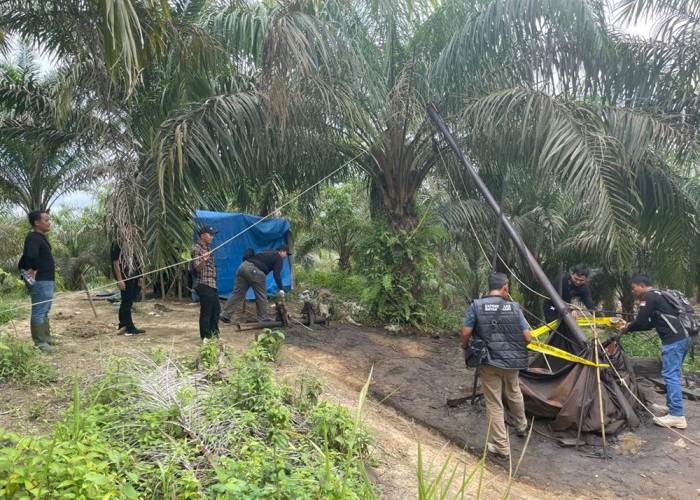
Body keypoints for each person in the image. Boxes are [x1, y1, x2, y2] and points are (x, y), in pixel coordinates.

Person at [461, 273, 532, 461]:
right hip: (512, 362)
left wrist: (465, 348)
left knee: (494, 402)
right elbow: (528, 338)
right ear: (506, 287)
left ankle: (501, 447)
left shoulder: (476, 306)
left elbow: (466, 332)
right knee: (514, 391)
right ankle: (522, 427)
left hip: (489, 361)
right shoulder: (514, 308)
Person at [619, 274, 692, 429]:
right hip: (685, 337)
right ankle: (672, 407)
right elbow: (647, 324)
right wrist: (630, 326)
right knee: (673, 373)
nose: (633, 292)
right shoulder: (659, 296)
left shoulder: (649, 296)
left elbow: (640, 321)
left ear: (641, 285)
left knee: (670, 374)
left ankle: (677, 416)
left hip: (674, 340)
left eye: (634, 288)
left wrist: (627, 328)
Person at [220, 244, 290, 323]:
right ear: (282, 251)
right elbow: (276, 274)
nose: (286, 256)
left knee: (237, 293)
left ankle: (225, 314)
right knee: (261, 295)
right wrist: (281, 288)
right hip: (256, 271)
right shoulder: (278, 257)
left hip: (243, 266)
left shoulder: (265, 251)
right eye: (286, 254)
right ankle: (263, 318)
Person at [18, 211, 57, 352]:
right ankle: (40, 342)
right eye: (46, 220)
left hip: (47, 279)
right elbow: (31, 255)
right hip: (40, 280)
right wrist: (34, 269)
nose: (49, 222)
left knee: (45, 310)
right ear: (37, 222)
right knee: (39, 310)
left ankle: (46, 337)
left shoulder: (41, 237)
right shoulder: (33, 237)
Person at [111, 238, 146, 335]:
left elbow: (136, 260)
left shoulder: (132, 242)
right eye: (133, 226)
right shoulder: (117, 243)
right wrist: (120, 279)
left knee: (128, 301)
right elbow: (116, 262)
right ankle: (130, 328)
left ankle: (123, 325)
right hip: (125, 277)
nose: (135, 228)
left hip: (134, 276)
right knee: (127, 302)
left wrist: (140, 275)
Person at [192, 225, 220, 341]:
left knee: (216, 310)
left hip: (212, 284)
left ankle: (215, 335)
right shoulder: (196, 249)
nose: (212, 237)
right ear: (203, 236)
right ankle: (206, 337)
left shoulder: (208, 248)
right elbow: (197, 268)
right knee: (206, 312)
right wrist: (203, 260)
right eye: (210, 235)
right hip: (203, 284)